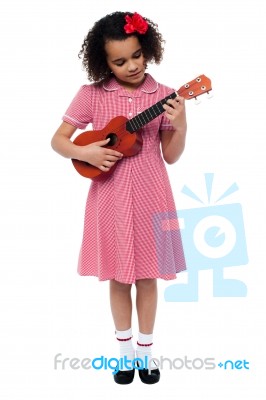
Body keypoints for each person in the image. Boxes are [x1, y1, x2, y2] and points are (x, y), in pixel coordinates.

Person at [51, 11, 187, 385]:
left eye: (137, 55)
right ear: (104, 61)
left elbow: (171, 155)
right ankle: (124, 354)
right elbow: (59, 140)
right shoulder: (91, 95)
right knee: (117, 276)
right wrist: (87, 153)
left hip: (151, 196)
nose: (132, 65)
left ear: (148, 50)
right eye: (120, 61)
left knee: (147, 278)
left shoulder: (165, 96)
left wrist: (182, 121)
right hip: (108, 198)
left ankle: (146, 353)